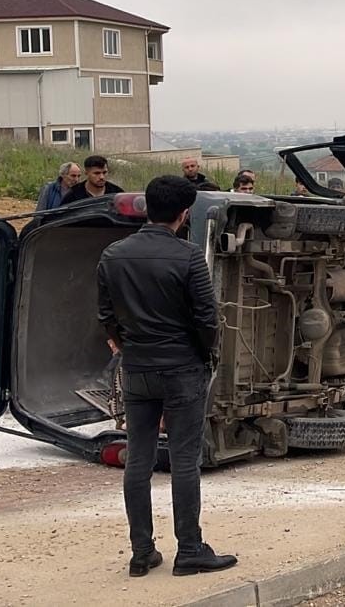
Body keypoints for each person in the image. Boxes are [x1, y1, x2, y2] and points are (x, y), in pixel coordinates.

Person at [96, 175, 237, 579]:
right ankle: (189, 549)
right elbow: (206, 318)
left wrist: (125, 346)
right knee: (184, 461)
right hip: (182, 369)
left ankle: (142, 552)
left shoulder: (112, 255)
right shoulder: (190, 256)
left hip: (137, 368)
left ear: (147, 208)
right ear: (182, 214)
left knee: (137, 460)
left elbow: (106, 316)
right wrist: (205, 353)